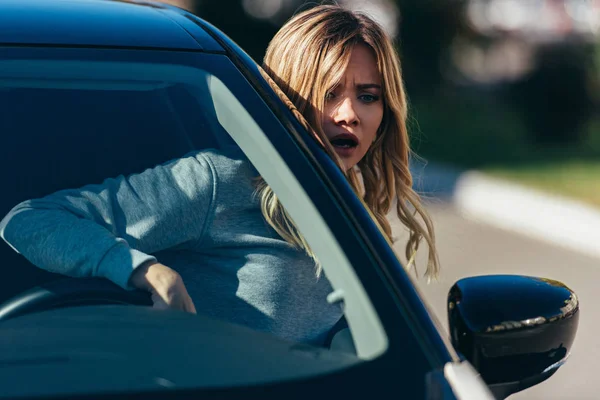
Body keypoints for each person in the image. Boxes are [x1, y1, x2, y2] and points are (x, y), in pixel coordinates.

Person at [0, 5, 439, 345]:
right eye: (328, 94)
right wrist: (147, 270)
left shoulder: (349, 204)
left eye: (367, 96)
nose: (349, 115)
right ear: (287, 98)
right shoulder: (220, 182)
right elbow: (27, 221)